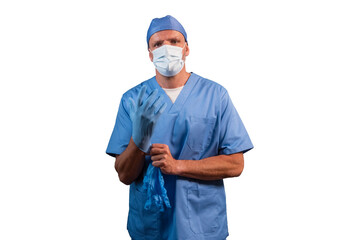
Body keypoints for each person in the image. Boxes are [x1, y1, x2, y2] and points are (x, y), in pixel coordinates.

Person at [106, 15, 253, 240]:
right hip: (150, 225)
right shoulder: (133, 100)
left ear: (186, 49)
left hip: (201, 225)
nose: (166, 48)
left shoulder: (215, 96)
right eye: (157, 44)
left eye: (174, 41)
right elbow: (125, 175)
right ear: (150, 54)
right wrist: (139, 139)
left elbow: (236, 164)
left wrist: (177, 166)